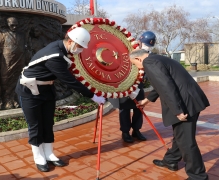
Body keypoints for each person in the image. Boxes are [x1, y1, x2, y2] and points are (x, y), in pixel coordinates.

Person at [15, 27, 106, 172]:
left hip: (46, 90)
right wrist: (93, 96)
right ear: (70, 41)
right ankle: (38, 157)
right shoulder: (55, 55)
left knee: (48, 122)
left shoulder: (62, 48)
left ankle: (49, 154)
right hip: (30, 91)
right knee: (35, 125)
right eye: (80, 46)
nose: (80, 50)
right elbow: (69, 81)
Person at [129, 49, 209, 180]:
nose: (136, 67)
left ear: (138, 59)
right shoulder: (158, 58)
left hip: (184, 104)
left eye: (134, 64)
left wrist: (177, 110)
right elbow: (162, 84)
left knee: (187, 142)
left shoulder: (149, 62)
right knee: (180, 136)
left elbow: (166, 86)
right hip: (191, 99)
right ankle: (171, 160)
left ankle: (198, 176)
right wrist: (146, 100)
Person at [108, 31, 156, 143]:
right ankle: (125, 132)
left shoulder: (149, 55)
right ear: (139, 42)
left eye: (149, 46)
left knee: (139, 108)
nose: (147, 48)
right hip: (125, 84)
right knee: (124, 108)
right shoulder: (128, 51)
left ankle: (136, 130)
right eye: (145, 45)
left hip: (138, 85)